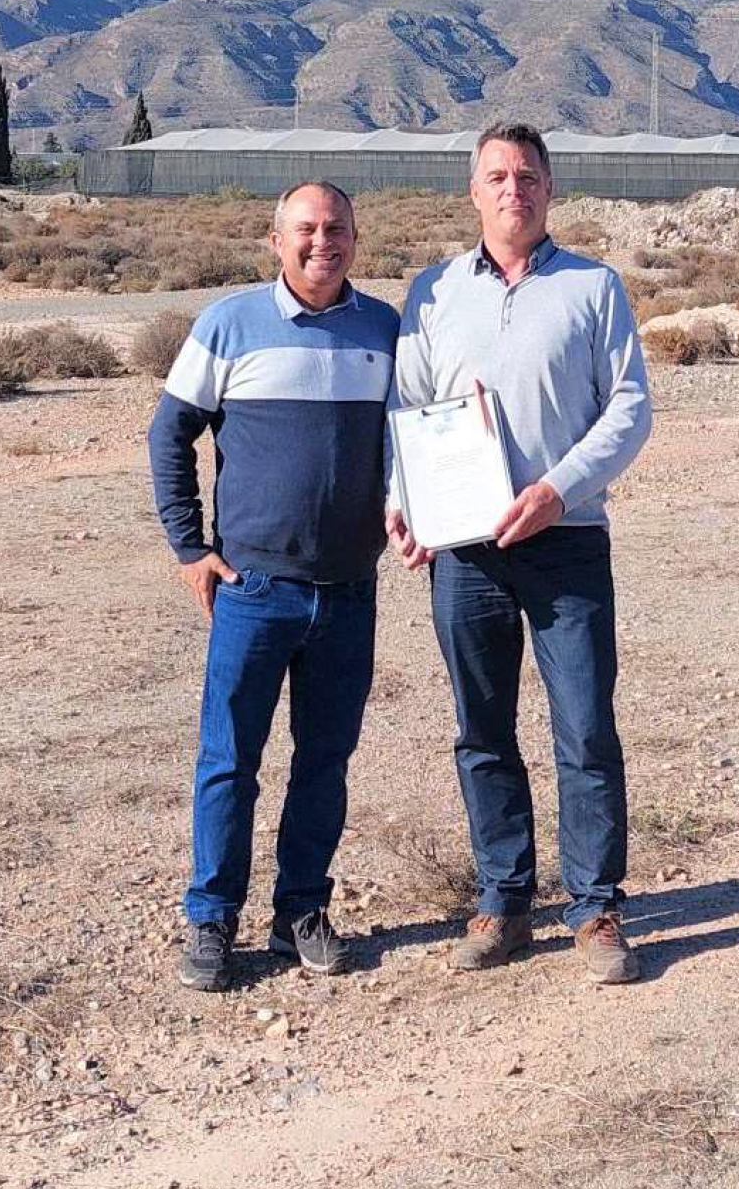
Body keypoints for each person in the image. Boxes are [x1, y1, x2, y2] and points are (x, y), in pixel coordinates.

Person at [390, 122, 654, 984]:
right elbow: (410, 411)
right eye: (497, 177)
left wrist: (557, 491)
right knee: (483, 729)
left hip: (567, 541)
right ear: (473, 193)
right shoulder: (431, 294)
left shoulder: (594, 289)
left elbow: (627, 411)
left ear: (551, 190)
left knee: (583, 727)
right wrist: (405, 504)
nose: (514, 190)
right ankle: (503, 900)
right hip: (466, 552)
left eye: (529, 176)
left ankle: (595, 908)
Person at [146, 180, 398, 992]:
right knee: (230, 761)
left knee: (324, 762)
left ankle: (301, 911)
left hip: (350, 591)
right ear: (275, 238)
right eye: (306, 229)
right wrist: (191, 547)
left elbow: (419, 441)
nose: (322, 242)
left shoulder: (385, 330)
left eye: (337, 230)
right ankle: (211, 919)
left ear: (356, 240)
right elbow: (169, 433)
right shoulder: (228, 323)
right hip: (254, 588)